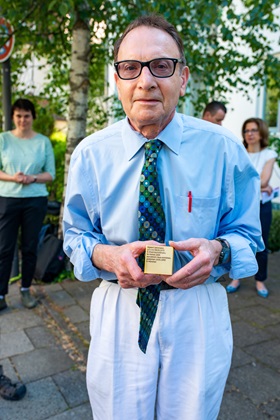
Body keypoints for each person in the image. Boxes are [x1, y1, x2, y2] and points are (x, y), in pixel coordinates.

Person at [63, 14, 263, 420]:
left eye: (162, 65)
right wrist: (108, 258)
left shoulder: (223, 149)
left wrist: (219, 249)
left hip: (197, 310)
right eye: (130, 67)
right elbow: (75, 236)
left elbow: (248, 234)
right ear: (117, 78)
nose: (146, 80)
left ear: (183, 77)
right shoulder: (91, 154)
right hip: (121, 308)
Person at [0, 98, 55, 311]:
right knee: (4, 248)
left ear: (33, 117)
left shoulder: (43, 142)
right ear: (13, 117)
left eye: (27, 115)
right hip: (7, 199)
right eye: (19, 116)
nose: (23, 120)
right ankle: (1, 293)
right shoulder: (3, 139)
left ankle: (25, 290)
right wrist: (14, 178)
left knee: (30, 247)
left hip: (35, 200)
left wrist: (32, 178)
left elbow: (50, 174)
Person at [226, 118, 277, 298]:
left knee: (261, 243)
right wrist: (261, 187)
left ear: (261, 132)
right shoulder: (239, 152)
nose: (250, 134)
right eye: (247, 130)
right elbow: (232, 181)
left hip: (262, 206)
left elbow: (263, 180)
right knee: (235, 240)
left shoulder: (268, 154)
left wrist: (258, 185)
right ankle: (236, 278)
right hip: (241, 206)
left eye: (254, 130)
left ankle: (260, 280)